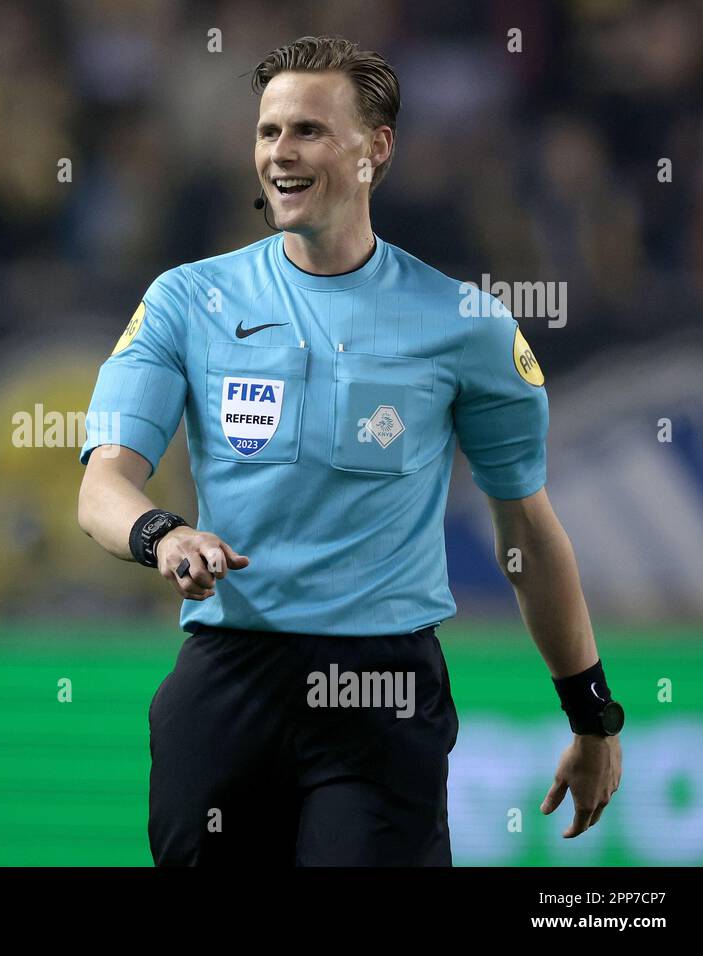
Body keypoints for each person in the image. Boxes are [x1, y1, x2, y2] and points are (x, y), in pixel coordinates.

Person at [76, 35, 623, 866]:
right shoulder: (186, 301)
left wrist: (590, 710)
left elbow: (525, 529)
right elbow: (103, 485)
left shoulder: (464, 325)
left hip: (381, 690)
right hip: (226, 684)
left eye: (308, 131)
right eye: (267, 132)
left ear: (376, 149)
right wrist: (164, 535)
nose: (279, 154)